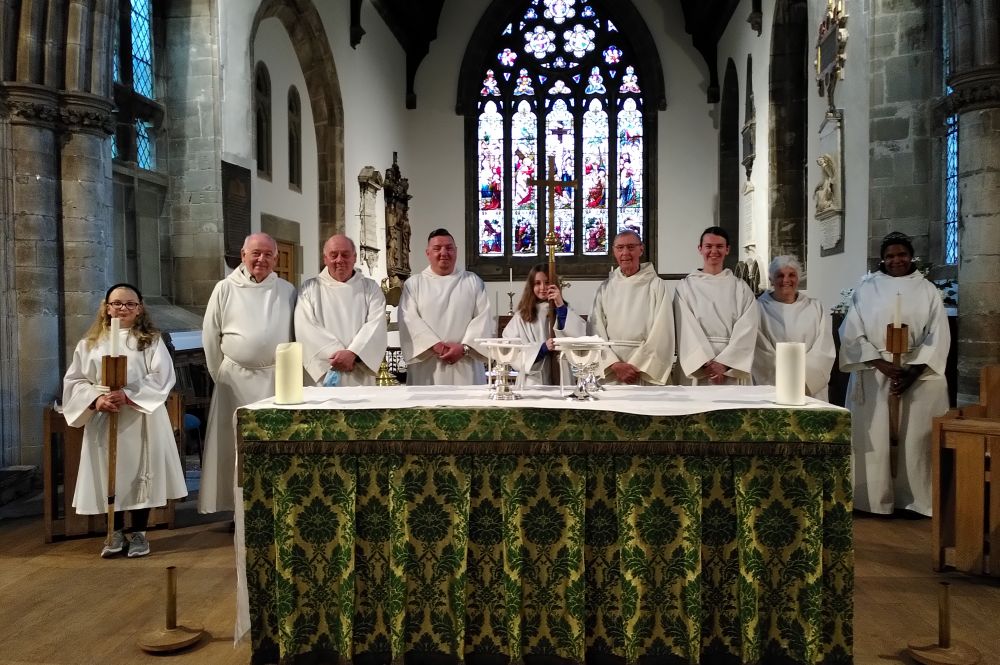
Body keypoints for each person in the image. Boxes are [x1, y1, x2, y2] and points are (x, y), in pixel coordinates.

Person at [62, 283, 187, 558]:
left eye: (130, 304)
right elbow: (75, 381)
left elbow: (162, 377)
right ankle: (115, 532)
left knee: (142, 474)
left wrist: (128, 396)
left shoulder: (151, 341)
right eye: (117, 303)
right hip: (106, 416)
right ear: (106, 308)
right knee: (112, 474)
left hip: (141, 417)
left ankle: (140, 533)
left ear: (140, 308)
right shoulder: (90, 343)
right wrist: (96, 400)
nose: (123, 309)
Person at [839, 232, 950, 516]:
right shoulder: (867, 289)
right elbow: (852, 332)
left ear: (911, 256)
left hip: (916, 372)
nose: (896, 260)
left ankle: (913, 500)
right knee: (872, 437)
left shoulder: (927, 290)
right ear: (882, 259)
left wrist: (912, 372)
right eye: (890, 256)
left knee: (915, 440)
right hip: (875, 368)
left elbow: (938, 335)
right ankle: (871, 498)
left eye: (901, 254)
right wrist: (881, 364)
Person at [199, 233, 295, 514]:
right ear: (243, 255)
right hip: (234, 380)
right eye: (255, 253)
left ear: (276, 258)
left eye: (268, 254)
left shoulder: (287, 290)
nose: (261, 259)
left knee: (273, 443)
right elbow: (210, 334)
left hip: (275, 381)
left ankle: (274, 504)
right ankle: (235, 507)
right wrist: (222, 374)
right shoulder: (224, 288)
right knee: (232, 446)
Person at [398, 228, 492, 385]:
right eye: (437, 248)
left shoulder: (473, 281)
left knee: (468, 409)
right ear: (428, 253)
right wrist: (436, 346)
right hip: (428, 366)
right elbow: (409, 320)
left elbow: (483, 318)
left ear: (456, 251)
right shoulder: (414, 284)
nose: (444, 253)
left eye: (449, 248)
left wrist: (463, 348)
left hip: (465, 364)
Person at [294, 235, 387, 387]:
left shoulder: (370, 288)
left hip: (358, 370)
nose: (339, 260)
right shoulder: (309, 289)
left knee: (360, 410)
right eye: (333, 255)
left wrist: (353, 354)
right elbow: (305, 328)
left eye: (345, 254)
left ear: (355, 257)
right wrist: (339, 357)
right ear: (325, 259)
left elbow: (376, 325)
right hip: (325, 372)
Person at [674, 226, 759, 385]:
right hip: (698, 367)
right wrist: (706, 363)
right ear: (700, 249)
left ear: (727, 250)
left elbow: (748, 328)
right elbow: (685, 328)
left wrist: (724, 364)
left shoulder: (740, 288)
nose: (714, 251)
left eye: (719, 246)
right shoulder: (685, 287)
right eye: (709, 246)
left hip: (731, 368)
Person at [589, 230, 675, 385]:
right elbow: (595, 330)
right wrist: (614, 364)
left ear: (641, 249)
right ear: (614, 251)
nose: (625, 253)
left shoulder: (656, 285)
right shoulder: (605, 288)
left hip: (643, 371)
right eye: (620, 248)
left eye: (630, 247)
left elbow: (663, 331)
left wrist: (635, 366)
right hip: (612, 371)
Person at [752, 255, 835, 400]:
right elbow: (761, 351)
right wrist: (789, 378)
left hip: (810, 387)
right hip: (774, 385)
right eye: (780, 275)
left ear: (798, 278)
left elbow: (823, 347)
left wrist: (804, 379)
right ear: (771, 279)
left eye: (791, 275)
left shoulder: (815, 307)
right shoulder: (758, 309)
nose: (786, 280)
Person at [502, 264, 586, 385]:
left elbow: (578, 336)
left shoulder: (563, 310)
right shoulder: (522, 315)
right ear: (531, 286)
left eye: (547, 282)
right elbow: (511, 348)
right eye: (537, 283)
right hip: (533, 378)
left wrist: (560, 306)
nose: (543, 287)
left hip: (561, 373)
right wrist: (541, 349)